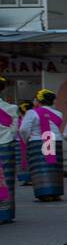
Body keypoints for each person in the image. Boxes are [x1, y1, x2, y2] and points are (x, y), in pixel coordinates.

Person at [19, 88, 64, 202]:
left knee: (40, 168)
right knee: (54, 168)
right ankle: (55, 193)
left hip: (37, 141)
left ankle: (44, 193)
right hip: (54, 141)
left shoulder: (31, 112)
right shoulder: (58, 113)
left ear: (38, 100)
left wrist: (27, 140)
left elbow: (24, 129)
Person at [0, 77, 16, 223]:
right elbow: (15, 130)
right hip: (6, 145)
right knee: (6, 181)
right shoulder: (11, 108)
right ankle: (5, 213)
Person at [15, 100, 32, 186]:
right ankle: (27, 179)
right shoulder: (29, 119)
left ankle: (27, 179)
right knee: (27, 160)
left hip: (23, 142)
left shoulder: (19, 120)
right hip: (25, 142)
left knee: (25, 161)